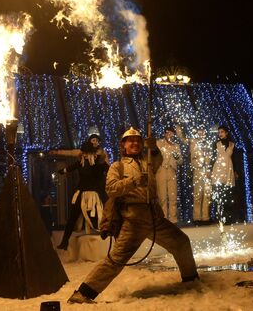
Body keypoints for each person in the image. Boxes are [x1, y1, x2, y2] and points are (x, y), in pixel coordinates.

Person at [67, 127, 199, 304]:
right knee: (115, 260)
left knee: (181, 242)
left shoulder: (149, 161)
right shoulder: (117, 166)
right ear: (123, 145)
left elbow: (158, 159)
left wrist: (153, 148)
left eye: (138, 140)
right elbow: (111, 189)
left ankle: (191, 281)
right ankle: (83, 294)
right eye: (131, 141)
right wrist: (134, 181)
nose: (135, 143)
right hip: (133, 220)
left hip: (155, 218)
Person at [55, 141, 109, 250]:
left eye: (86, 152)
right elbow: (71, 167)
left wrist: (102, 162)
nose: (84, 154)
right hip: (80, 194)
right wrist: (62, 171)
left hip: (94, 194)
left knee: (99, 216)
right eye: (83, 152)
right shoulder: (81, 162)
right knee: (72, 218)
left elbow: (107, 169)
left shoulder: (98, 163)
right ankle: (65, 242)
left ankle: (107, 235)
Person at [178, 126, 213, 223]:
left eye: (203, 131)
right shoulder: (192, 141)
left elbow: (211, 158)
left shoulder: (208, 143)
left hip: (207, 171)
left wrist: (209, 170)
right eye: (199, 131)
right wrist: (178, 126)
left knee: (207, 195)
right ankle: (197, 218)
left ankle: (205, 217)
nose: (201, 133)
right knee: (198, 195)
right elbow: (182, 138)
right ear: (197, 132)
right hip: (197, 170)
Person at [210, 125, 242, 224]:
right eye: (219, 132)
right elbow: (212, 157)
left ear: (226, 133)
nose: (220, 134)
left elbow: (234, 159)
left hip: (228, 168)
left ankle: (229, 218)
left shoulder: (232, 144)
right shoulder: (216, 144)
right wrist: (210, 170)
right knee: (219, 194)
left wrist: (236, 171)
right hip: (218, 169)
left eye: (222, 132)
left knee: (228, 194)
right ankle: (220, 218)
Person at [156, 126, 183, 223]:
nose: (170, 135)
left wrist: (176, 156)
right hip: (161, 170)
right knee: (162, 197)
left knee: (173, 196)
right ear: (164, 134)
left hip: (172, 171)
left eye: (172, 133)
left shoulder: (176, 146)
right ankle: (163, 219)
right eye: (168, 133)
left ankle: (173, 219)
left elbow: (180, 161)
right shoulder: (158, 143)